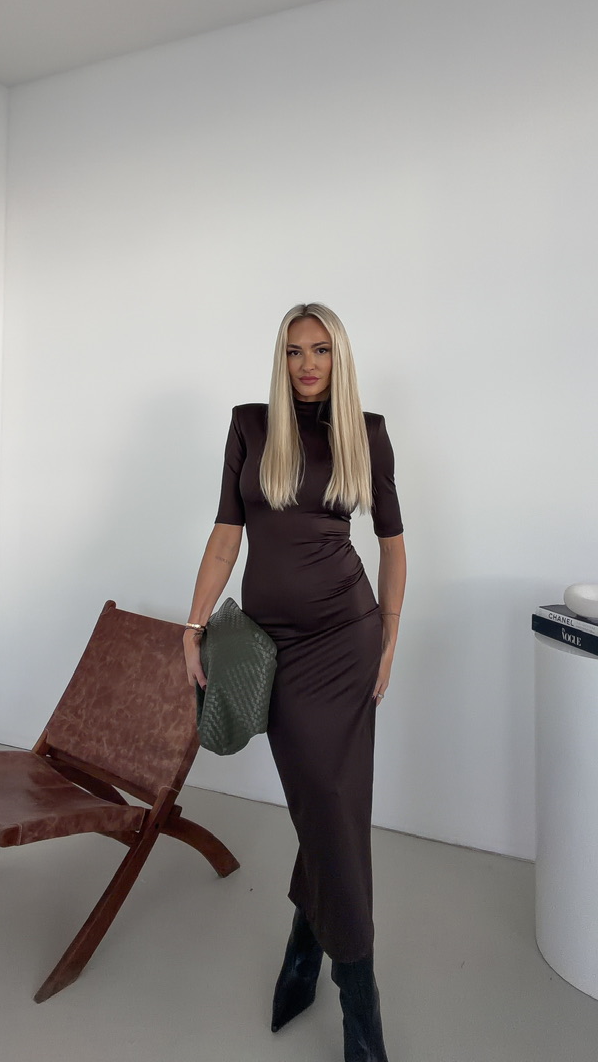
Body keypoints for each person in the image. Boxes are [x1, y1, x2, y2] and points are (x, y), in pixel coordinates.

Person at [182, 302, 406, 1062]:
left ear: (339, 357)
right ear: (280, 360)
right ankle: (308, 938)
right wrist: (193, 623)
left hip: (347, 638)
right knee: (323, 801)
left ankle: (357, 995)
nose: (307, 364)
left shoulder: (366, 431)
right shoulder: (250, 426)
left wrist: (391, 636)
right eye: (293, 351)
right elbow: (226, 533)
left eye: (321, 350)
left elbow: (393, 542)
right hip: (273, 648)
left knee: (335, 803)